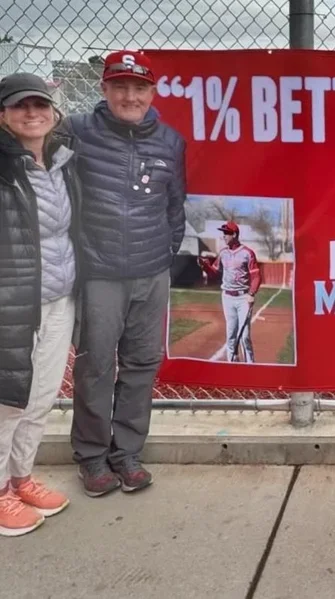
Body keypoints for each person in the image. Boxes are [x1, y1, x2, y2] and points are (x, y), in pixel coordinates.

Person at [63, 50, 186, 496]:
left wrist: (165, 253)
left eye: (139, 88)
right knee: (96, 365)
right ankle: (92, 457)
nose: (130, 96)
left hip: (151, 271)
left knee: (142, 363)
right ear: (105, 89)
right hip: (99, 272)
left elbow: (175, 206)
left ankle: (127, 452)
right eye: (120, 87)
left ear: (152, 92)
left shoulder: (170, 141)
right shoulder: (75, 131)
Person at [0, 73, 82, 535]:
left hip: (59, 297)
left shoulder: (63, 159)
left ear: (53, 111)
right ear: (3, 115)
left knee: (40, 397)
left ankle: (21, 478)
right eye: (20, 106)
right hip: (12, 302)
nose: (32, 113)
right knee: (7, 403)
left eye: (39, 104)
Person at [197, 220, 261, 363]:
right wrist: (205, 266)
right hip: (227, 297)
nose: (224, 236)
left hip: (243, 297)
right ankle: (232, 365)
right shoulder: (223, 253)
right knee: (231, 335)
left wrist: (251, 294)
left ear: (235, 235)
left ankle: (251, 367)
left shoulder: (247, 253)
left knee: (244, 336)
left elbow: (256, 275)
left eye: (226, 233)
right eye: (223, 233)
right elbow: (214, 272)